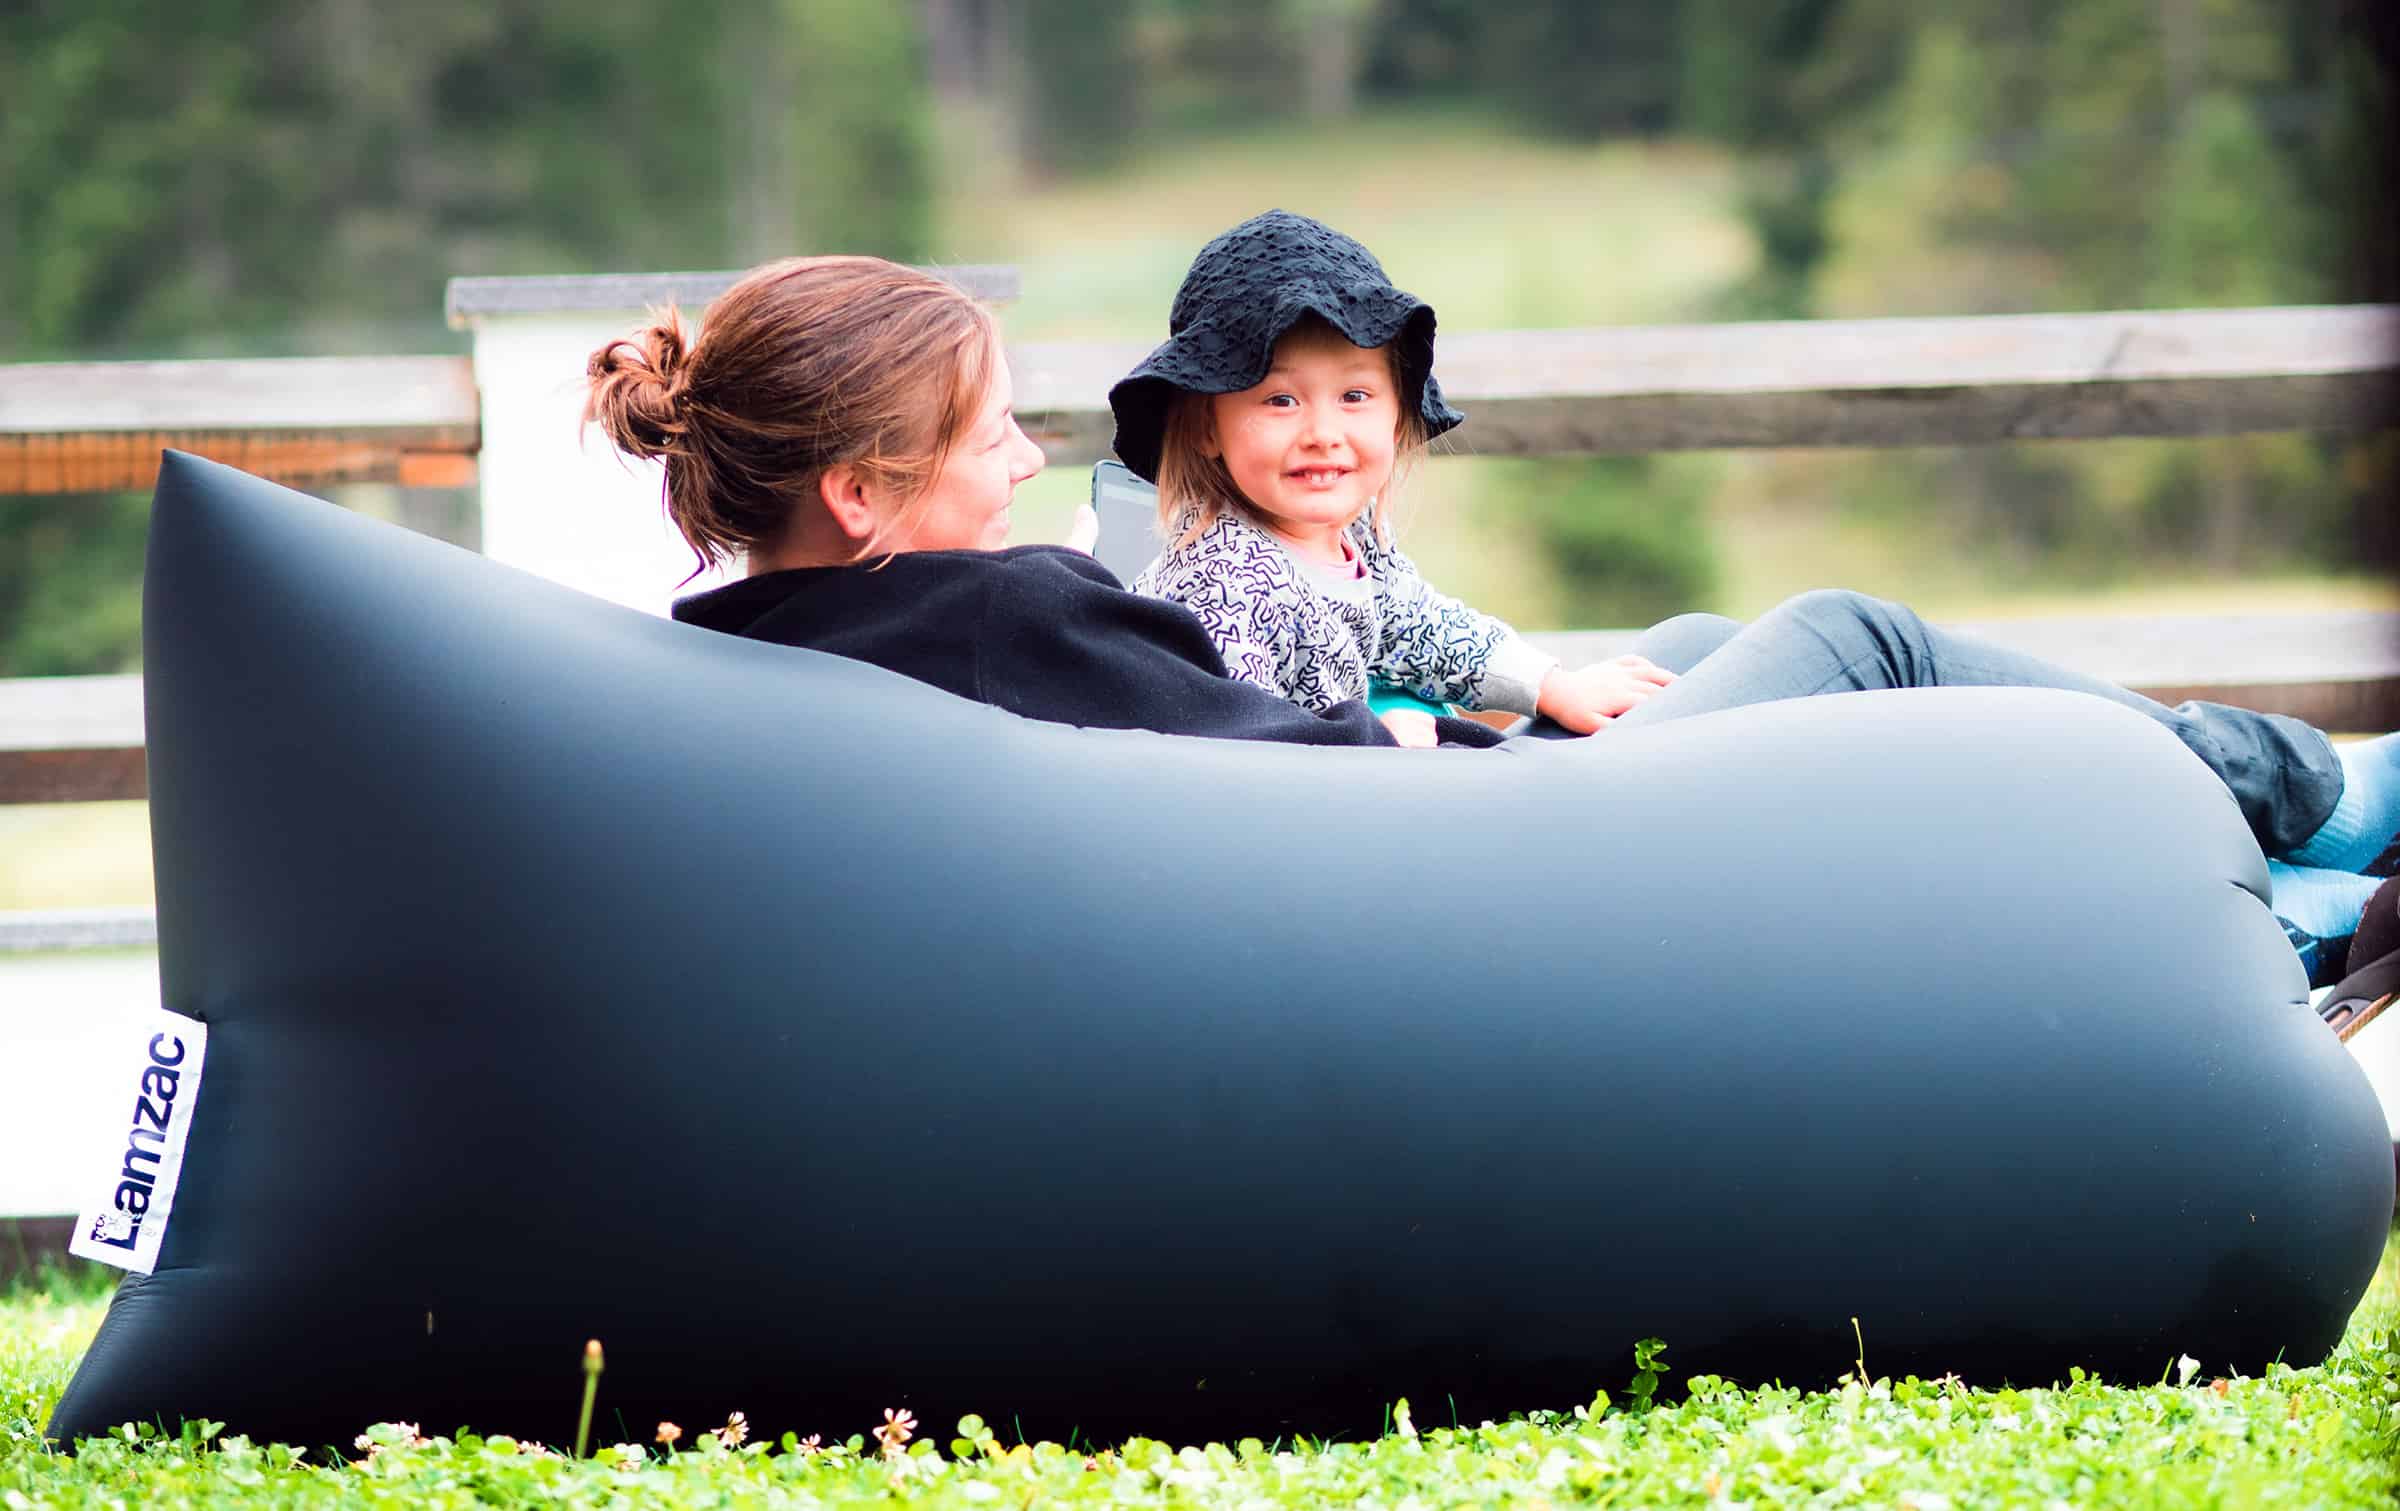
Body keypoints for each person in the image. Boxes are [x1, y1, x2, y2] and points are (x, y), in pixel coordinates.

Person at [584, 247, 2397, 995]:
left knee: (1688, 644)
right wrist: (1490, 743)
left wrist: (1509, 703)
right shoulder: (994, 613)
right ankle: (2316, 797)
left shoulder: (760, 645)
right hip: (1463, 879)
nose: (1028, 458)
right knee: (1856, 637)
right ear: (858, 490)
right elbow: (1295, 788)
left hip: (1432, 837)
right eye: (990, 436)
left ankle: (2280, 877)